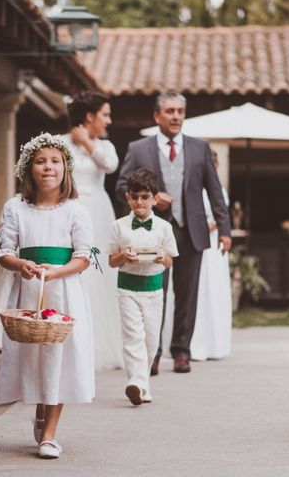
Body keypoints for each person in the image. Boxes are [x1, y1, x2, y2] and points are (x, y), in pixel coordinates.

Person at [115, 91, 231, 374]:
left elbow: (215, 191)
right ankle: (152, 352)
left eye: (180, 111)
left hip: (191, 231)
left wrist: (224, 229)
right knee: (155, 293)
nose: (176, 116)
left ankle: (181, 351)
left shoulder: (199, 148)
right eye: (170, 111)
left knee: (187, 295)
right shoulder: (139, 148)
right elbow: (120, 186)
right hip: (153, 233)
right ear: (157, 116)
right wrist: (151, 199)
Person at [0, 133, 94, 459]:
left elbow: (84, 257)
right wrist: (21, 264)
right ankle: (40, 409)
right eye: (40, 161)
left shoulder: (76, 211)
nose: (48, 167)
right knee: (33, 356)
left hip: (63, 289)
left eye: (55, 161)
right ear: (28, 169)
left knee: (58, 357)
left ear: (66, 169)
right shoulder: (15, 207)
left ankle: (49, 433)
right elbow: (4, 251)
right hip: (28, 289)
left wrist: (56, 271)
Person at [62, 90, 124, 371]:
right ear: (90, 116)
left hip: (97, 210)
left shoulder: (105, 146)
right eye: (105, 115)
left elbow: (110, 166)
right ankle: (69, 342)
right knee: (72, 272)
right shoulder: (61, 144)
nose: (109, 121)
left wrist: (86, 141)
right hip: (68, 210)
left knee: (98, 275)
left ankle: (100, 345)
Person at [106, 169, 178, 405]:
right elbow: (111, 260)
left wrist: (161, 257)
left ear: (155, 199)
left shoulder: (164, 228)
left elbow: (170, 260)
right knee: (132, 337)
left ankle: (143, 385)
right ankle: (135, 382)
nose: (140, 202)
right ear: (128, 198)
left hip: (154, 290)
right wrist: (123, 256)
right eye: (135, 197)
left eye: (145, 197)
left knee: (151, 341)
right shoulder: (119, 226)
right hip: (127, 289)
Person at [163, 153, 232, 360]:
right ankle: (184, 342)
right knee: (188, 294)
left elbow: (220, 216)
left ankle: (210, 344)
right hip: (189, 244)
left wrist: (207, 227)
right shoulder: (187, 188)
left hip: (210, 248)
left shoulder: (219, 190)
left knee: (211, 294)